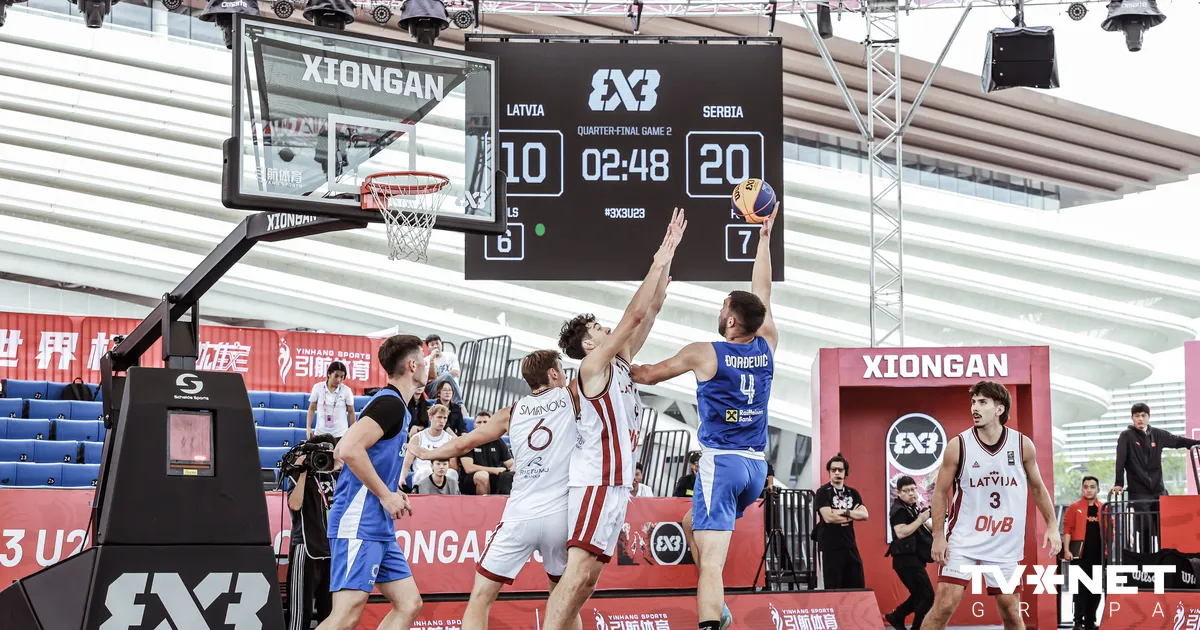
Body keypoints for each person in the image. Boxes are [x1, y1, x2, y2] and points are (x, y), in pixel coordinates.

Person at [630, 206, 777, 630]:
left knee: (712, 563)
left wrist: (609, 362)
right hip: (756, 468)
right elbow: (763, 292)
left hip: (722, 464)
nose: (720, 309)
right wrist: (764, 239)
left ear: (730, 319)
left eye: (723, 306)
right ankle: (720, 609)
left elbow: (647, 374)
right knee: (690, 522)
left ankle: (713, 618)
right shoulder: (767, 341)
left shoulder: (705, 353)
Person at [540, 209, 687, 630]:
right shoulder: (591, 368)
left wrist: (669, 258)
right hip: (595, 481)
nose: (607, 329)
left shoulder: (620, 360)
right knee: (576, 575)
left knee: (588, 580)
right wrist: (658, 258)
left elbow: (651, 308)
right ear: (588, 344)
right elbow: (634, 316)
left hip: (618, 483)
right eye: (599, 328)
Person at [410, 349, 581, 630]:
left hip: (520, 515)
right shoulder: (572, 397)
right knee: (564, 600)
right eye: (562, 369)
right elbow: (602, 362)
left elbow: (465, 442)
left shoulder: (510, 412)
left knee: (480, 598)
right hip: (559, 516)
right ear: (553, 373)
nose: (565, 374)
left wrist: (429, 454)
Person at [921, 381, 1061, 630]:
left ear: (999, 409)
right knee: (944, 606)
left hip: (1004, 542)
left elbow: (1038, 488)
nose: (974, 408)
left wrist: (1052, 525)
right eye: (973, 402)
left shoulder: (1022, 445)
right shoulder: (958, 445)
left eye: (982, 402)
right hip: (963, 539)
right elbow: (940, 493)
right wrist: (938, 535)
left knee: (1011, 612)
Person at [318, 334, 426, 630]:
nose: (427, 365)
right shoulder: (390, 404)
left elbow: (350, 453)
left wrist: (392, 492)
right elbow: (347, 449)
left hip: (378, 525)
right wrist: (384, 495)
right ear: (412, 365)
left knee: (409, 604)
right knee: (345, 616)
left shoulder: (398, 406)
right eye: (424, 359)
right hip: (358, 521)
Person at [1113, 402, 1200, 553]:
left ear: (1148, 417)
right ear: (1132, 418)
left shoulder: (1157, 434)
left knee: (1164, 529)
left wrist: (1197, 443)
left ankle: (1164, 559)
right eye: (1137, 416)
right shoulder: (1126, 436)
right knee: (1145, 529)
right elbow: (1120, 460)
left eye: (1143, 415)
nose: (1140, 419)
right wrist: (1118, 482)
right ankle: (1147, 562)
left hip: (1158, 490)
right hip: (1139, 492)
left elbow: (1178, 441)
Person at [285, 435, 340, 630]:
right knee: (300, 612)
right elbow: (294, 504)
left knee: (330, 612)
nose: (323, 458)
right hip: (306, 547)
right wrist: (303, 472)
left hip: (332, 550)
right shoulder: (299, 473)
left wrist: (340, 464)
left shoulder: (337, 475)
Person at [885, 476, 934, 630]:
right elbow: (900, 532)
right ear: (898, 493)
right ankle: (913, 625)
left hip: (913, 558)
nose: (911, 493)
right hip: (906, 560)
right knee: (927, 596)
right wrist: (920, 520)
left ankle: (897, 616)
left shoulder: (912, 507)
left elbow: (922, 527)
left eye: (913, 489)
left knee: (920, 595)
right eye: (906, 491)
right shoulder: (899, 510)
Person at [814, 454, 867, 589]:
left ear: (845, 472)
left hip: (849, 545)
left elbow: (865, 515)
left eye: (840, 470)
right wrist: (853, 515)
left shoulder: (853, 493)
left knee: (856, 586)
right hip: (829, 547)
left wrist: (844, 512)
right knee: (833, 588)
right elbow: (828, 518)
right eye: (833, 470)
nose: (837, 473)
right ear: (829, 472)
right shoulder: (823, 492)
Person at [1063, 477, 1103, 630]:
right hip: (1079, 556)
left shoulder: (1103, 508)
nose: (1089, 490)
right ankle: (1078, 621)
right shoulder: (1074, 507)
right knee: (1079, 589)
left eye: (1092, 487)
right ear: (1082, 489)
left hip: (1098, 555)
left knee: (1096, 590)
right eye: (1086, 487)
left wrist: (1108, 551)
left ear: (1098, 489)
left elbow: (1110, 530)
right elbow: (1067, 530)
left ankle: (1090, 621)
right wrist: (1067, 550)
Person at [400, 403, 458, 489]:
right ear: (431, 417)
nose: (442, 421)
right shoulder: (417, 438)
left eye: (445, 418)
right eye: (439, 417)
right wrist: (402, 477)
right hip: (422, 474)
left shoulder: (450, 439)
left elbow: (453, 466)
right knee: (426, 472)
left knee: (452, 473)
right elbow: (406, 465)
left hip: (442, 474)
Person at [458, 412, 515, 495]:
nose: (482, 425)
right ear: (474, 425)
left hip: (494, 478)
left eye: (485, 422)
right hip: (472, 480)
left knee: (510, 476)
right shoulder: (467, 441)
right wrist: (494, 470)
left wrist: (513, 468)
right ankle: (483, 503)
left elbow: (510, 463)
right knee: (482, 476)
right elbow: (469, 468)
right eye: (479, 422)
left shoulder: (498, 441)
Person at [306, 361, 357, 441]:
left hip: (340, 434)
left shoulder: (346, 390)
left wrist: (353, 431)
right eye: (336, 376)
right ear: (329, 374)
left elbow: (351, 411)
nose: (339, 380)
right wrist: (308, 427)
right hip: (320, 433)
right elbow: (312, 408)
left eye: (342, 377)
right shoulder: (318, 388)